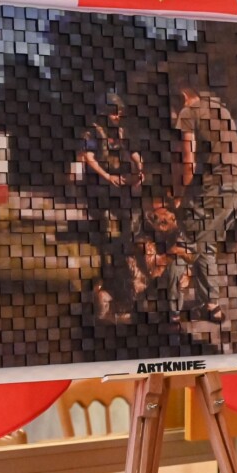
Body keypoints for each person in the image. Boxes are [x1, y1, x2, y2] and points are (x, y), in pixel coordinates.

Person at [166, 79, 237, 327]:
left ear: (183, 97)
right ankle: (212, 306)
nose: (173, 116)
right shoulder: (217, 106)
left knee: (183, 242)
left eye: (173, 108)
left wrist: (179, 195)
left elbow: (188, 162)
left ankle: (171, 313)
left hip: (220, 185)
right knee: (206, 244)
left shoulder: (188, 111)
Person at [79, 91, 145, 324]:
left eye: (119, 112)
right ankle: (104, 280)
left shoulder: (122, 132)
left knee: (131, 223)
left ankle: (127, 268)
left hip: (119, 188)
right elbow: (89, 158)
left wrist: (139, 170)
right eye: (115, 112)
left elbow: (133, 152)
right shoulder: (92, 132)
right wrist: (107, 176)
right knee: (106, 229)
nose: (118, 116)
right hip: (99, 189)